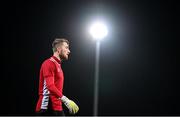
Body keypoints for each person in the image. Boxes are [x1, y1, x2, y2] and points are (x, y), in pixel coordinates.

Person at [35, 38, 79, 116]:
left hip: (57, 107)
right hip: (46, 108)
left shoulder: (57, 65)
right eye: (66, 47)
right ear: (58, 49)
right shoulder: (48, 63)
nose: (69, 51)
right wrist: (66, 100)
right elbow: (50, 86)